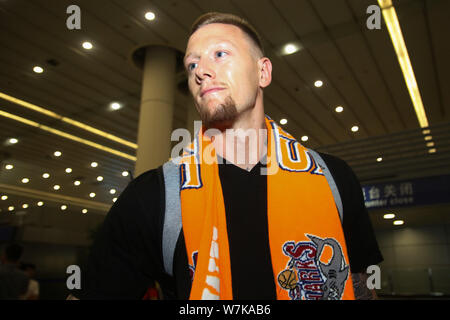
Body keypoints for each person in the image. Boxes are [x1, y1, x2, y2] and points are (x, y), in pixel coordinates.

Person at [69, 12, 382, 300]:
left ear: (263, 72)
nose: (201, 71)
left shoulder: (333, 179)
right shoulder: (156, 196)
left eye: (220, 54)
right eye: (192, 64)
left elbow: (359, 286)